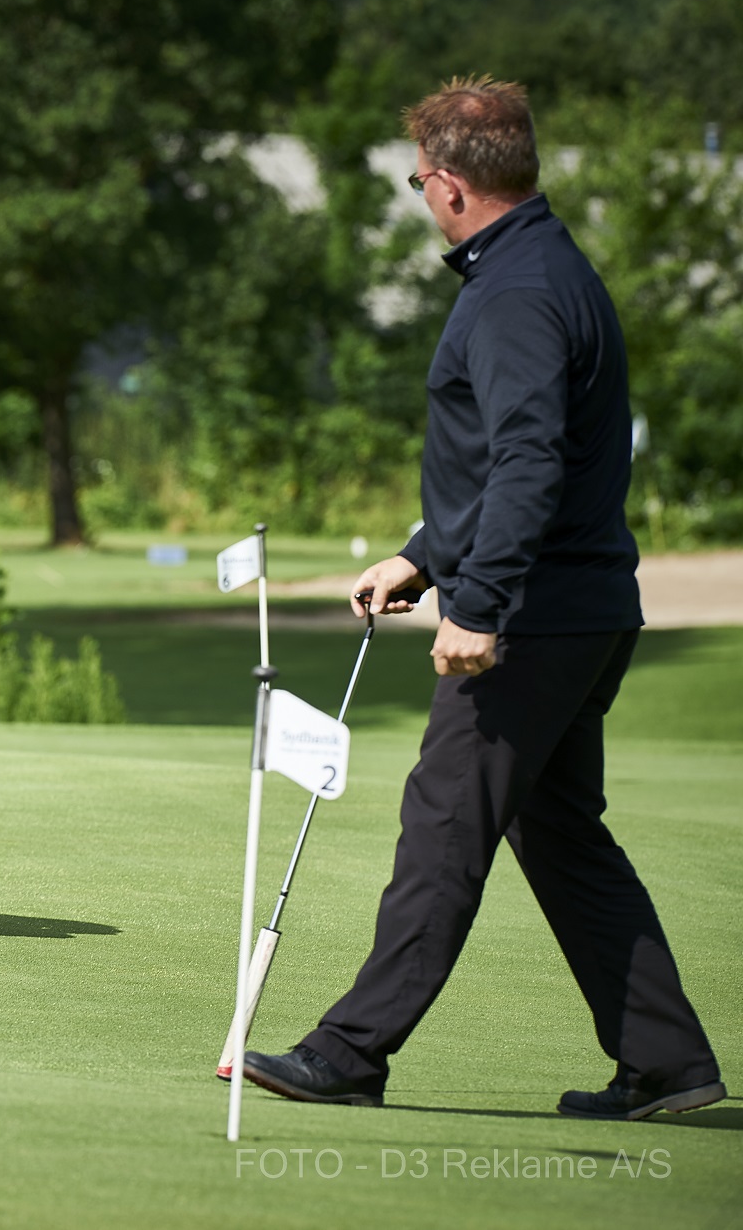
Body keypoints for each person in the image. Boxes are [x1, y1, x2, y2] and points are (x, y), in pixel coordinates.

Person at [243, 78, 724, 1121]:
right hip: (584, 607)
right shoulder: (547, 267)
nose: (423, 196)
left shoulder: (512, 292)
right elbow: (502, 462)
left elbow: (527, 461)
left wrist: (481, 603)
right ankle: (668, 1062)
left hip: (537, 616)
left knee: (444, 825)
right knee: (559, 830)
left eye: (421, 181)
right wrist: (423, 555)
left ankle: (352, 1049)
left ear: (453, 186)